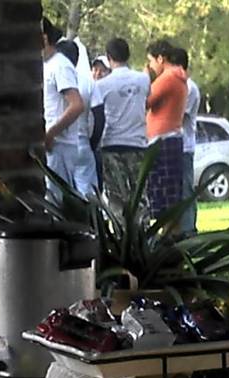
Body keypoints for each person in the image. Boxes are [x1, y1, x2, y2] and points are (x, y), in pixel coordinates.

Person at [90, 38, 151, 214]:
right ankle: (143, 234)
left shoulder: (102, 85)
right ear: (128, 55)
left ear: (109, 58)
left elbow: (97, 114)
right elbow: (147, 101)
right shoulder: (143, 80)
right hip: (137, 143)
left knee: (116, 196)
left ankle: (119, 234)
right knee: (139, 193)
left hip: (112, 143)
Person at [41, 18, 84, 200]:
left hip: (61, 145)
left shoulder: (60, 65)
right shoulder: (47, 65)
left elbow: (76, 105)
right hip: (53, 145)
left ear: (44, 38)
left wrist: (51, 134)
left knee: (58, 200)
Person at [144, 39, 187, 217]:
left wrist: (146, 78)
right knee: (169, 196)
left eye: (151, 61)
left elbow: (145, 100)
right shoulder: (178, 77)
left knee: (163, 198)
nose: (151, 66)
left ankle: (168, 238)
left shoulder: (168, 78)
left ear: (161, 59)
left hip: (161, 141)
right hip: (170, 139)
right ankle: (170, 237)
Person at [54, 39, 97, 197]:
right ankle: (88, 221)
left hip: (60, 143)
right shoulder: (88, 82)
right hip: (83, 141)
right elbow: (99, 114)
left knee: (58, 193)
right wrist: (93, 143)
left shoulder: (53, 75)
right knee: (87, 193)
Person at [167, 46, 200, 236]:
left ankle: (188, 231)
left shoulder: (189, 88)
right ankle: (174, 231)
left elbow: (178, 115)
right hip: (172, 146)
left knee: (185, 190)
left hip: (184, 147)